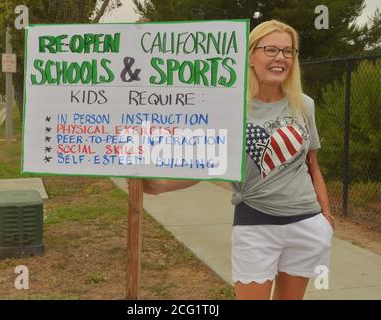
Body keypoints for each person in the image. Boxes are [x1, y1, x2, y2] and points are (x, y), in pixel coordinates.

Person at [138, 20, 334, 300]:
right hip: (256, 225)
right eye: (270, 50)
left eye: (288, 51)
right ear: (251, 56)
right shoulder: (231, 107)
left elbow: (313, 165)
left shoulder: (304, 104)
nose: (281, 57)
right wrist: (159, 186)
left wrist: (325, 218)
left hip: (307, 224)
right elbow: (208, 164)